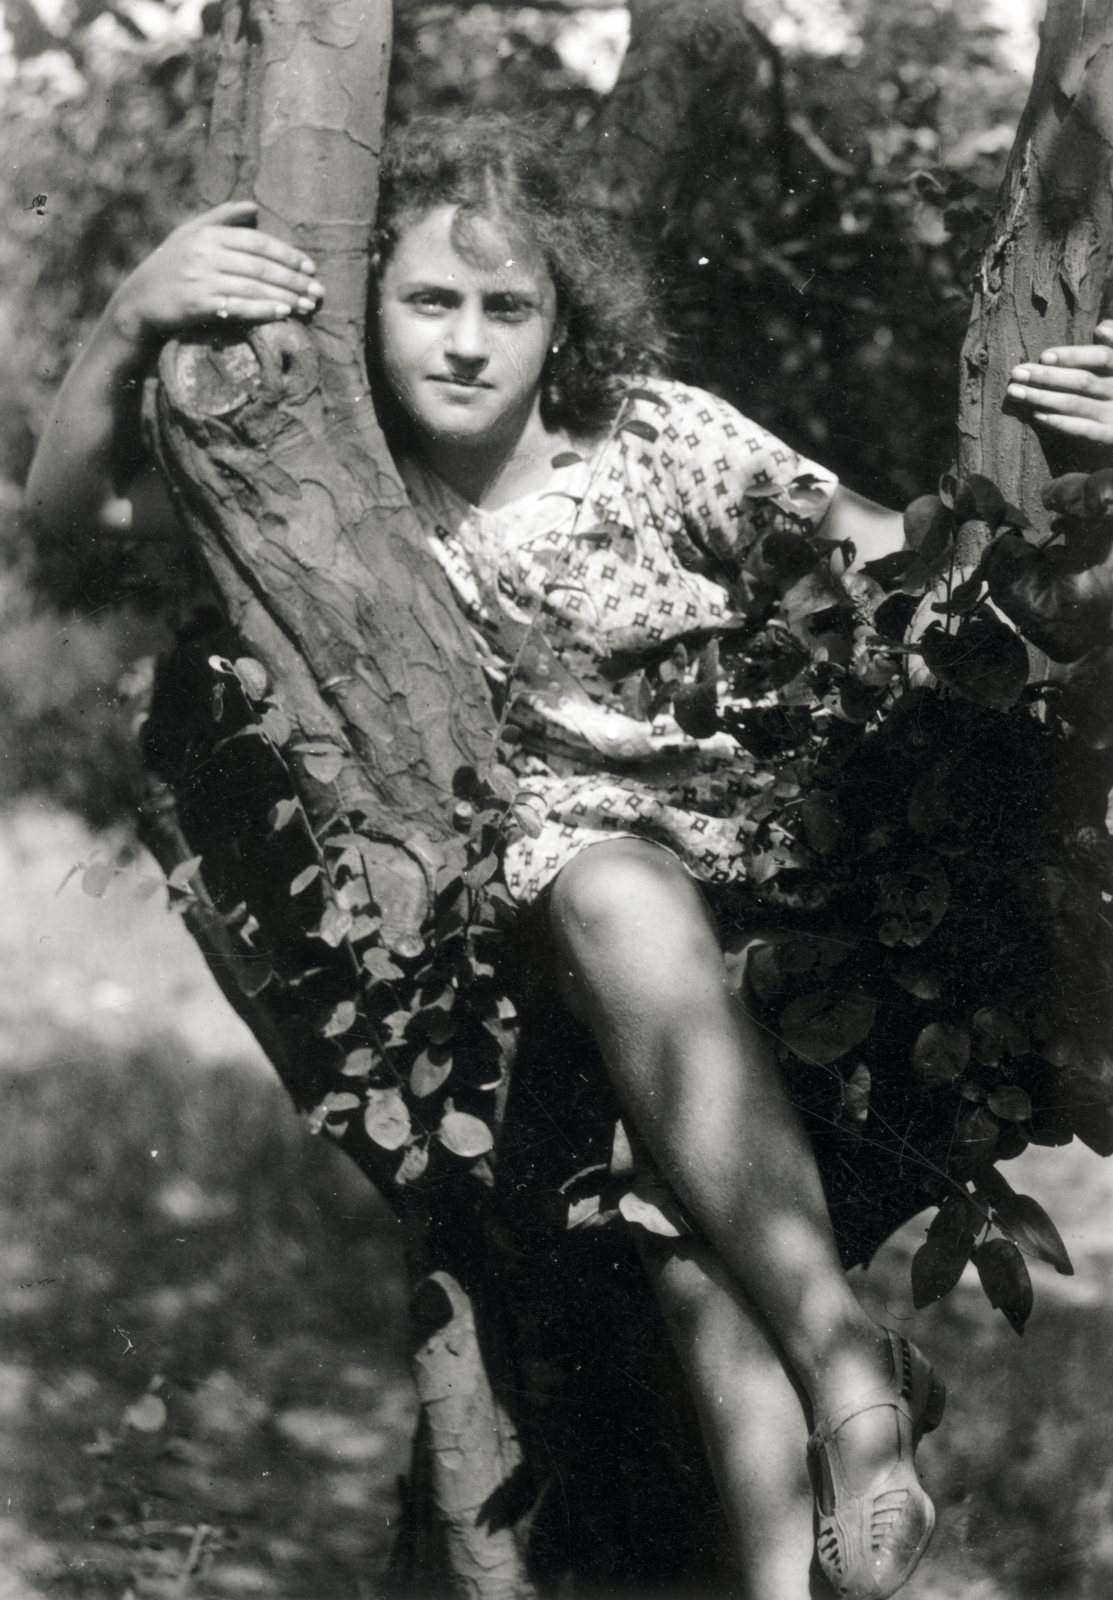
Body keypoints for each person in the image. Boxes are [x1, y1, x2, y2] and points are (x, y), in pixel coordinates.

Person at [26, 115, 1113, 1600]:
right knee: (655, 1134)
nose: (466, 345)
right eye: (427, 302)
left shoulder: (654, 437)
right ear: (360, 320)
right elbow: (72, 514)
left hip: (791, 882)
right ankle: (849, 1439)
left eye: (506, 308)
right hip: (594, 920)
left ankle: (852, 1395)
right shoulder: (355, 504)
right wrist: (134, 308)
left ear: (560, 329)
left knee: (682, 1188)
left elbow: (908, 583)